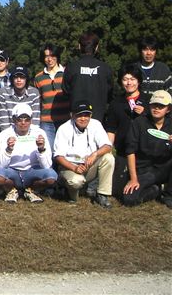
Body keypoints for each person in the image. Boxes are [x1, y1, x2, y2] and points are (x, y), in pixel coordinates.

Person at [53, 101, 114, 208]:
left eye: (86, 115)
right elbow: (58, 156)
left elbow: (107, 146)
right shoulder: (64, 128)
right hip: (69, 166)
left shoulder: (96, 124)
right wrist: (74, 168)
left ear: (91, 115)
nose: (83, 118)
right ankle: (70, 193)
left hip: (89, 165)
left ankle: (102, 195)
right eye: (79, 115)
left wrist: (95, 154)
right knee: (76, 182)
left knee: (108, 158)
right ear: (72, 115)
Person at [0, 104, 57, 204]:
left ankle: (31, 190)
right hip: (12, 171)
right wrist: (9, 150)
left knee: (52, 176)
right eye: (20, 119)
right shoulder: (4, 134)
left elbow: (47, 166)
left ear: (31, 120)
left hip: (32, 171)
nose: (23, 123)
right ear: (14, 120)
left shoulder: (39, 133)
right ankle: (12, 190)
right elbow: (0, 165)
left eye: (27, 119)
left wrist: (41, 149)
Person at [122, 90, 172, 208]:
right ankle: (156, 190)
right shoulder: (139, 122)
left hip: (165, 168)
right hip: (143, 170)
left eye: (161, 106)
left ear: (168, 109)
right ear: (149, 106)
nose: (157, 108)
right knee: (129, 199)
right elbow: (130, 151)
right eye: (154, 105)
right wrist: (133, 179)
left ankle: (169, 195)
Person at [106, 64, 148, 196]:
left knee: (142, 183)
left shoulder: (148, 101)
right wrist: (108, 149)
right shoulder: (116, 103)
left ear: (139, 81)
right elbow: (111, 129)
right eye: (125, 79)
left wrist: (146, 113)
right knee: (116, 191)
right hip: (123, 152)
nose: (129, 83)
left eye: (132, 79)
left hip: (144, 152)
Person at [62, 32, 113, 122]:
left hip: (77, 118)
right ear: (96, 47)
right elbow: (110, 92)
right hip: (99, 118)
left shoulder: (72, 67)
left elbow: (66, 91)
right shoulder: (105, 68)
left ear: (79, 46)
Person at [33, 43, 69, 148]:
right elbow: (38, 100)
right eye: (46, 56)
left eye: (52, 56)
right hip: (46, 121)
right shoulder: (38, 77)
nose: (49, 59)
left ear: (57, 56)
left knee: (64, 150)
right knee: (48, 150)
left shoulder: (67, 73)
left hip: (65, 120)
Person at [0, 66, 41, 131]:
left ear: (26, 79)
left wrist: (32, 134)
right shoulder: (3, 92)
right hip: (10, 131)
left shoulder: (34, 93)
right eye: (16, 77)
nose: (19, 80)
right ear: (12, 79)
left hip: (29, 132)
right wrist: (8, 135)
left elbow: (35, 120)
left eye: (22, 77)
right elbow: (4, 120)